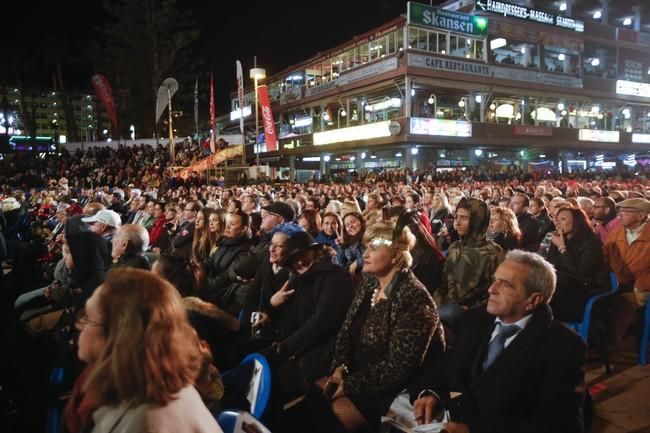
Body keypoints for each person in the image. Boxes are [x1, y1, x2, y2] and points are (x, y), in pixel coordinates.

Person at [409, 250, 586, 433]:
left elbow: (561, 426)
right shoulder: (475, 318)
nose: (491, 289)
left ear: (532, 300)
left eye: (506, 285)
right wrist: (429, 392)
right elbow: (449, 364)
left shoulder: (563, 346)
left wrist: (473, 430)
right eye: (495, 280)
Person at [303, 221, 444, 433]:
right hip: (357, 373)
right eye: (366, 246)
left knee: (326, 416)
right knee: (311, 398)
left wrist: (349, 385)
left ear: (396, 256)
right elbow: (346, 329)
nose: (365, 253)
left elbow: (399, 369)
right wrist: (341, 367)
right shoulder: (370, 283)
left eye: (373, 247)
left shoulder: (413, 298)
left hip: (391, 389)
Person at [75, 269, 222, 433]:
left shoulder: (149, 423)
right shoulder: (141, 385)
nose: (79, 326)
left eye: (88, 319)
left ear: (119, 336)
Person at [435, 198, 504, 325]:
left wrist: (471, 310)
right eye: (457, 217)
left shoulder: (493, 252)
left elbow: (497, 290)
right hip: (443, 310)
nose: (457, 223)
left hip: (470, 317)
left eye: (464, 218)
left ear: (478, 221)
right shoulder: (455, 247)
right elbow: (443, 282)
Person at [547, 207, 610, 322]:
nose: (558, 222)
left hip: (585, 289)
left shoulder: (592, 243)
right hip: (564, 285)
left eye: (563, 219)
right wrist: (558, 245)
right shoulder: (560, 238)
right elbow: (551, 265)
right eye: (557, 219)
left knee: (555, 283)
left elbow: (580, 273)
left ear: (576, 221)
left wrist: (562, 248)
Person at [603, 198, 650, 350]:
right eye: (619, 212)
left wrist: (642, 284)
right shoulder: (615, 234)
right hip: (617, 283)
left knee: (624, 302)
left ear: (641, 216)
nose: (619, 216)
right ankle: (592, 340)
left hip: (642, 286)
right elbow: (604, 259)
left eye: (625, 212)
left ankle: (609, 345)